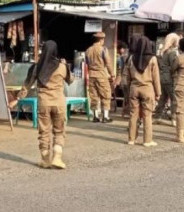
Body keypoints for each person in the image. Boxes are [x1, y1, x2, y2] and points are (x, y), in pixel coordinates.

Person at [11, 40, 73, 169]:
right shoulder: (61, 66)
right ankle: (57, 157)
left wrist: (17, 99)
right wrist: (66, 65)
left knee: (44, 131)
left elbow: (27, 85)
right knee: (59, 130)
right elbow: (71, 80)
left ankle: (45, 160)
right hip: (59, 102)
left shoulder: (36, 67)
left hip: (44, 103)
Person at [123, 35, 161, 147]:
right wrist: (158, 93)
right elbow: (156, 77)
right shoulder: (152, 59)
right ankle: (147, 140)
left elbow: (128, 77)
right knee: (147, 115)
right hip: (147, 89)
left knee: (133, 115)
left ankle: (131, 139)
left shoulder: (130, 58)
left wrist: (129, 89)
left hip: (134, 88)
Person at [85, 31, 115, 123]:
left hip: (91, 75)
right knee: (106, 95)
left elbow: (87, 63)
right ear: (101, 39)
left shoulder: (88, 50)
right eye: (103, 39)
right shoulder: (103, 50)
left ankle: (95, 116)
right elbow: (108, 63)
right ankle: (105, 117)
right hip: (101, 75)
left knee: (94, 96)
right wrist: (112, 74)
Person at [154, 31, 181, 125]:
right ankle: (174, 118)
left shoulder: (162, 52)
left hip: (161, 77)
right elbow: (174, 66)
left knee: (163, 98)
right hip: (170, 78)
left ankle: (157, 116)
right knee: (174, 99)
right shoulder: (172, 53)